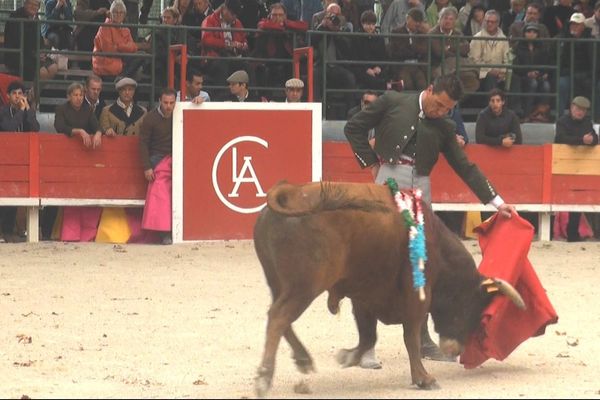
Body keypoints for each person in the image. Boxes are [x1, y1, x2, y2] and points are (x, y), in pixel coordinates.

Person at [344, 74, 516, 364]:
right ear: (429, 90)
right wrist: (371, 163)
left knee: (421, 264)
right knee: (373, 259)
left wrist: (497, 202)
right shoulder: (394, 102)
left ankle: (423, 341)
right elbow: (354, 128)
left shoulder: (445, 127)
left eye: (447, 109)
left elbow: (465, 166)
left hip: (420, 190)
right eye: (438, 105)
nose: (440, 112)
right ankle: (367, 345)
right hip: (386, 181)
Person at [0, 80, 41, 243]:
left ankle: (9, 231)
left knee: (15, 193)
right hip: (4, 158)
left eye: (20, 94)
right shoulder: (3, 111)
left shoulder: (27, 111)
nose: (18, 97)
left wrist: (28, 110)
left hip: (22, 159)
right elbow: (9, 128)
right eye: (14, 94)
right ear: (8, 97)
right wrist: (21, 112)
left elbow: (35, 128)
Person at [554, 96, 599, 242]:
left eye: (583, 110)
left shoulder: (587, 123)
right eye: (578, 109)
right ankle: (557, 231)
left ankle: (573, 234)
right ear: (572, 107)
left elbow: (595, 139)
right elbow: (561, 139)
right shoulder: (562, 122)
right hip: (562, 164)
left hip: (581, 166)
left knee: (578, 198)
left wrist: (591, 141)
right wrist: (582, 141)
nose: (580, 112)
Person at [139, 88, 178, 245]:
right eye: (165, 103)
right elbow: (143, 144)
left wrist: (197, 102)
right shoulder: (150, 119)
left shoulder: (180, 112)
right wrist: (147, 166)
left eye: (172, 103)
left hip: (178, 157)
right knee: (161, 191)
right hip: (158, 159)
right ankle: (164, 233)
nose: (168, 106)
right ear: (160, 102)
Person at [3, 0, 59, 81]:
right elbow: (18, 41)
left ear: (38, 7)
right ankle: (34, 92)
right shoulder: (15, 16)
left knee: (54, 68)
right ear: (25, 4)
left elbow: (39, 40)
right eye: (30, 4)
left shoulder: (35, 18)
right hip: (19, 55)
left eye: (36, 5)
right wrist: (35, 54)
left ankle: (33, 91)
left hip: (33, 55)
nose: (33, 7)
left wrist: (42, 52)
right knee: (42, 73)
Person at [92, 0, 146, 79]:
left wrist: (119, 46)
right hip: (105, 66)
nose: (118, 15)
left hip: (120, 62)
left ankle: (122, 77)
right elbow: (109, 50)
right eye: (115, 12)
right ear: (110, 14)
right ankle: (122, 78)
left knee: (142, 54)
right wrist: (124, 47)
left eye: (121, 13)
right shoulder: (104, 27)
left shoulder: (126, 29)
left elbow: (132, 48)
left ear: (124, 15)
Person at [513, 23, 551, 122]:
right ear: (524, 33)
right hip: (523, 76)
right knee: (532, 83)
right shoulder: (518, 47)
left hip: (539, 75)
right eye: (529, 32)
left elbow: (546, 63)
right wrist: (527, 73)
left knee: (546, 85)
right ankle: (527, 113)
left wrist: (541, 73)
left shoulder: (542, 47)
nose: (531, 34)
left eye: (534, 32)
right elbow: (516, 66)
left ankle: (541, 114)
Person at [387, 7, 430, 91]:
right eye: (415, 21)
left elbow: (424, 51)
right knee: (407, 84)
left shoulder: (422, 34)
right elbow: (399, 51)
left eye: (419, 22)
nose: (417, 24)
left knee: (422, 84)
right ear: (407, 19)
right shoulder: (396, 32)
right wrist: (415, 52)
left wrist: (412, 50)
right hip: (402, 65)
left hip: (418, 66)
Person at [469, 10, 510, 93]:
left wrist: (502, 72)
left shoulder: (504, 39)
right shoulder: (477, 38)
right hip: (482, 73)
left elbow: (507, 59)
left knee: (514, 79)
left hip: (500, 73)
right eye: (487, 21)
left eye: (492, 22)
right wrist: (490, 70)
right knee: (490, 78)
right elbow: (474, 60)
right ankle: (492, 104)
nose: (489, 24)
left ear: (498, 23)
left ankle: (513, 106)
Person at [54, 82, 103, 149]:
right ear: (69, 97)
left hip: (84, 147)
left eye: (81, 95)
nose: (79, 98)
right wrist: (79, 131)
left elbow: (97, 126)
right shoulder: (61, 109)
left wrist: (98, 133)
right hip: (65, 146)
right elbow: (59, 127)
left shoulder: (88, 109)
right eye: (75, 95)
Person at [352, 10, 388, 91]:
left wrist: (379, 67)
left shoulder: (379, 39)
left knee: (386, 76)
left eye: (372, 24)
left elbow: (383, 57)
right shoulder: (356, 38)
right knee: (374, 81)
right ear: (362, 24)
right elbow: (355, 58)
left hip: (377, 68)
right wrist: (366, 69)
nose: (370, 27)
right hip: (361, 68)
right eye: (368, 24)